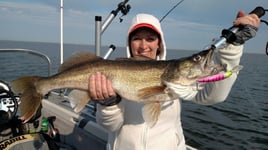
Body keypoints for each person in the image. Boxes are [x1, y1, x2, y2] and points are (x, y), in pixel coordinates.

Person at [88, 11, 260, 150]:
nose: (143, 46)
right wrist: (107, 104)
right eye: (136, 38)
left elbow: (214, 96)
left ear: (159, 44)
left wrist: (233, 47)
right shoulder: (109, 73)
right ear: (129, 43)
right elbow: (110, 126)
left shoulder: (179, 79)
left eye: (150, 38)